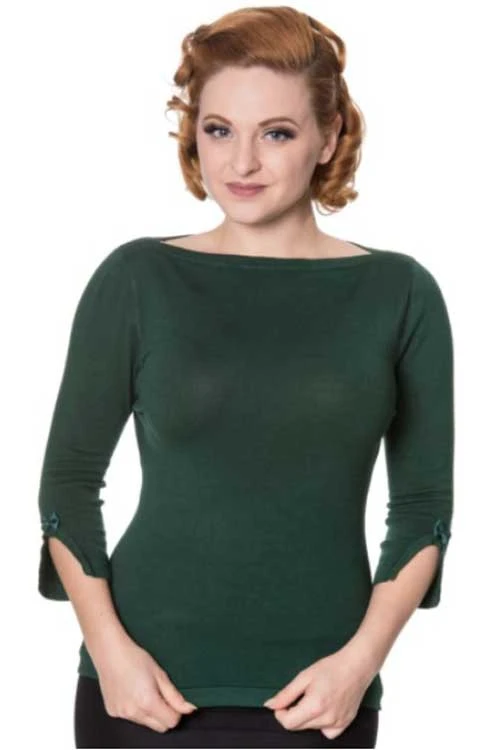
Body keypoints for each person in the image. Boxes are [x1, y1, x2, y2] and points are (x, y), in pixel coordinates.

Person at [37, 5, 454, 749]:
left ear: (329, 137)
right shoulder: (137, 278)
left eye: (278, 133)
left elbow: (422, 508)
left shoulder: (400, 293)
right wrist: (110, 651)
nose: (242, 163)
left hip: (321, 696)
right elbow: (68, 483)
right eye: (220, 129)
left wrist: (360, 664)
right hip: (142, 689)